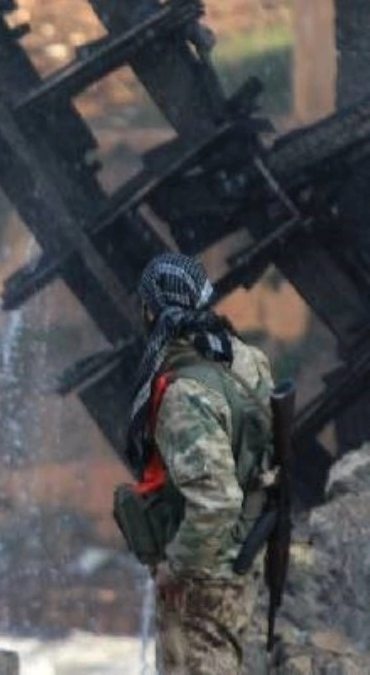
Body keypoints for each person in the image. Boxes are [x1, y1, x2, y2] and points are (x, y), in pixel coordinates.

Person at [122, 252, 275, 673]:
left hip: (204, 574)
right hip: (244, 551)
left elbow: (216, 500)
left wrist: (178, 567)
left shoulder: (182, 392)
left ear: (151, 310)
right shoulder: (247, 359)